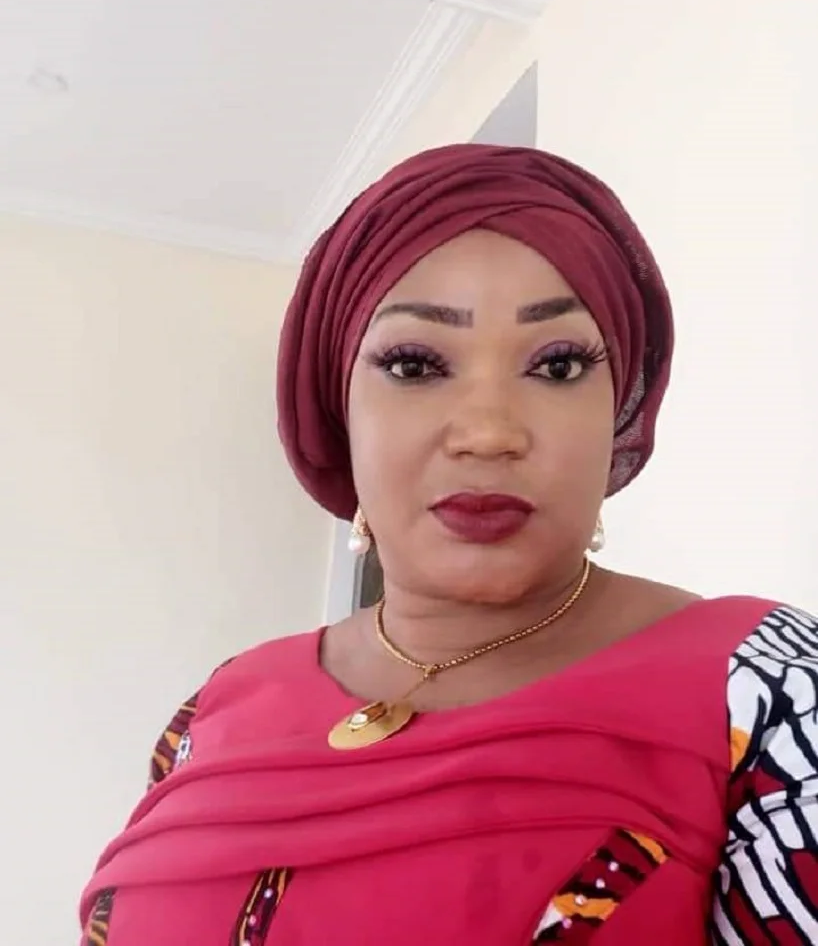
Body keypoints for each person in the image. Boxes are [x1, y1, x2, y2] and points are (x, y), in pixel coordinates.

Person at [80, 144, 818, 945]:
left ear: (618, 411)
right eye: (414, 363)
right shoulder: (216, 704)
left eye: (558, 364)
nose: (489, 432)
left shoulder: (766, 687)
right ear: (339, 407)